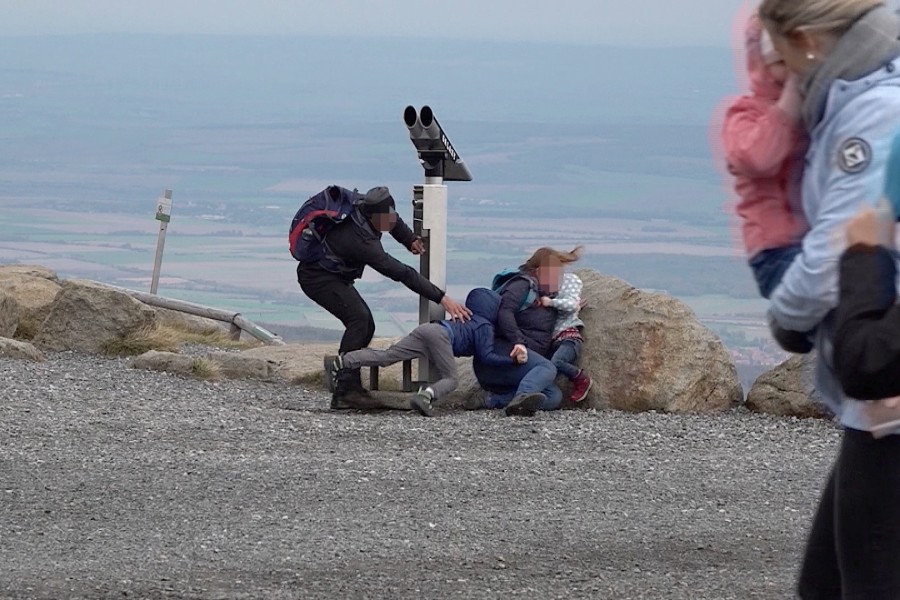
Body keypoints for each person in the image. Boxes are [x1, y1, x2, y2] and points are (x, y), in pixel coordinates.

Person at [758, 1, 900, 597]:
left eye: (777, 53)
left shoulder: (873, 112)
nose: (770, 70)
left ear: (812, 41)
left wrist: (788, 318)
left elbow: (846, 243)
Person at [296, 186, 471, 408]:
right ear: (372, 217)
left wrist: (409, 239)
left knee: (366, 323)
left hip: (334, 276)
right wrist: (441, 297)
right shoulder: (361, 241)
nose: (391, 219)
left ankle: (349, 386)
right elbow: (401, 273)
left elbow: (393, 221)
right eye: (386, 217)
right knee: (359, 320)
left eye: (392, 214)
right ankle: (346, 390)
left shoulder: (371, 209)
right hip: (317, 278)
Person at [721, 12, 809, 299]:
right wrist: (790, 103)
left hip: (823, 241)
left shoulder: (821, 109)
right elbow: (759, 159)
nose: (792, 70)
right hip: (778, 249)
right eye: (782, 63)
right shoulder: (745, 114)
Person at [329, 287, 520, 417]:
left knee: (388, 356)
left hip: (428, 329)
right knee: (451, 379)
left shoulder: (468, 317)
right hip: (443, 337)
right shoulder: (485, 326)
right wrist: (511, 361)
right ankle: (426, 396)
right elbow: (486, 356)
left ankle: (342, 361)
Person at [474, 246, 583, 417]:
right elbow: (505, 311)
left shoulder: (546, 295)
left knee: (554, 396)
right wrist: (518, 341)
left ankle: (491, 400)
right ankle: (520, 401)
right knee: (547, 368)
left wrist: (571, 307)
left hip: (521, 366)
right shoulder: (522, 284)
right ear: (539, 270)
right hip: (501, 356)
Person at [542, 267, 593, 403]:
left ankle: (582, 379)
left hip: (569, 339)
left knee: (557, 362)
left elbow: (570, 304)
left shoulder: (569, 284)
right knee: (545, 369)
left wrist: (551, 302)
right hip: (554, 342)